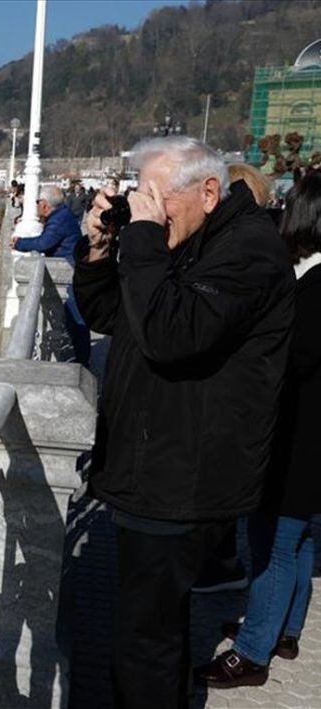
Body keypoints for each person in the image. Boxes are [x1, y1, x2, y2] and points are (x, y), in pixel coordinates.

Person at [72, 136, 294, 708]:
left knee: (143, 640)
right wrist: (100, 250)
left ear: (210, 191)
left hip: (181, 476)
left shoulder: (249, 252)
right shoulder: (194, 235)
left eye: (156, 198)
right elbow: (112, 316)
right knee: (157, 628)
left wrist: (143, 239)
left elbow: (173, 336)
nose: (147, 213)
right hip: (157, 466)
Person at [196, 169, 321, 689]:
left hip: (298, 433)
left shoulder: (313, 284)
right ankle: (284, 629)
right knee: (301, 535)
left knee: (273, 539)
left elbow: (295, 358)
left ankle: (252, 652)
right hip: (311, 436)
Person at [192, 162, 275, 595]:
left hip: (234, 403)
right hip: (241, 403)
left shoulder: (245, 252)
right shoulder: (258, 244)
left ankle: (220, 567)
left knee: (217, 496)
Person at [12, 184, 91, 364]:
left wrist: (19, 243)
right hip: (69, 270)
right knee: (73, 320)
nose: (37, 206)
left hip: (69, 273)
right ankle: (81, 358)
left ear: (45, 205)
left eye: (38, 203)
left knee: (77, 320)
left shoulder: (59, 219)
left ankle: (83, 362)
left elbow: (44, 243)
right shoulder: (61, 214)